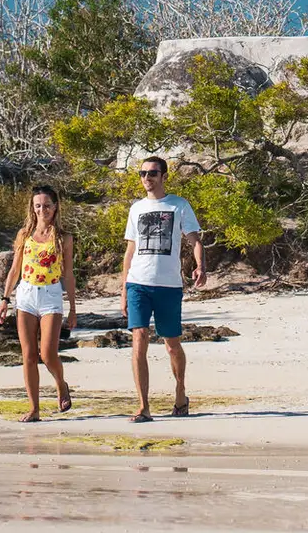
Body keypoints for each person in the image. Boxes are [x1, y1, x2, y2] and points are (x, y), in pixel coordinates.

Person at [118, 155, 205, 423]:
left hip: (168, 285)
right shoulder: (136, 209)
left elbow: (194, 239)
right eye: (143, 173)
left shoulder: (179, 205)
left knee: (171, 346)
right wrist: (123, 288)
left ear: (163, 176)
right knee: (139, 338)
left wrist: (200, 265)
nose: (147, 178)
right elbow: (130, 249)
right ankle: (143, 406)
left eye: (153, 173)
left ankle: (180, 392)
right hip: (138, 284)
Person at [0, 184, 77, 422]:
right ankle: (34, 409)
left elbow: (69, 275)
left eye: (47, 206)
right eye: (38, 205)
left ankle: (61, 384)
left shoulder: (64, 238)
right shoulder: (24, 234)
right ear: (33, 208)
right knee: (29, 354)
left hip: (51, 296)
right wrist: (5, 299)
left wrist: (73, 308)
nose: (43, 210)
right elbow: (15, 269)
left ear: (55, 207)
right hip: (26, 296)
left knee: (48, 354)